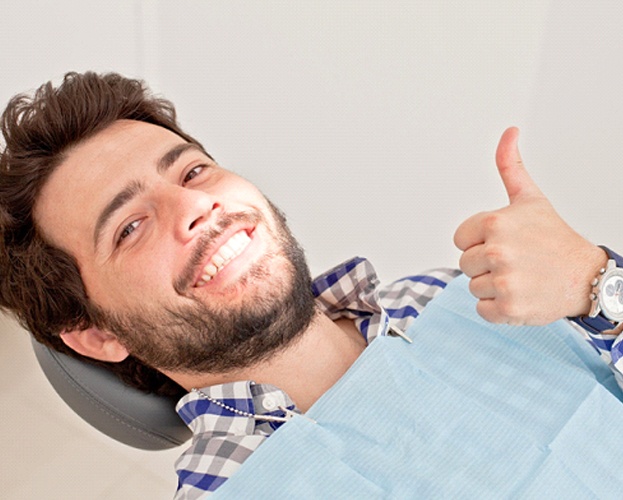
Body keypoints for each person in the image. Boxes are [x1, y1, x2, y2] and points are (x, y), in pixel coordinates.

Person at [0, 72, 620, 497]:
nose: (195, 206)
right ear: (98, 335)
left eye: (192, 170)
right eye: (130, 227)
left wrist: (595, 282)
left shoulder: (460, 292)